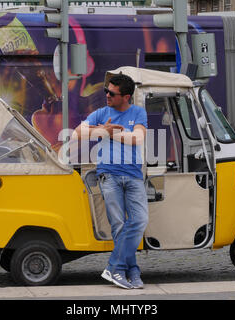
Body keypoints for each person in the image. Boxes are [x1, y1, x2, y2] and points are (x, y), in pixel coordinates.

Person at [72, 74, 148, 289]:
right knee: (119, 226)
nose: (106, 95)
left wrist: (109, 134)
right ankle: (131, 271)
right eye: (106, 90)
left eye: (112, 93)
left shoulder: (138, 112)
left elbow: (139, 138)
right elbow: (77, 134)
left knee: (139, 221)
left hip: (133, 174)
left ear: (126, 97)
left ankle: (114, 267)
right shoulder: (101, 113)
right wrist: (102, 130)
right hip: (109, 174)